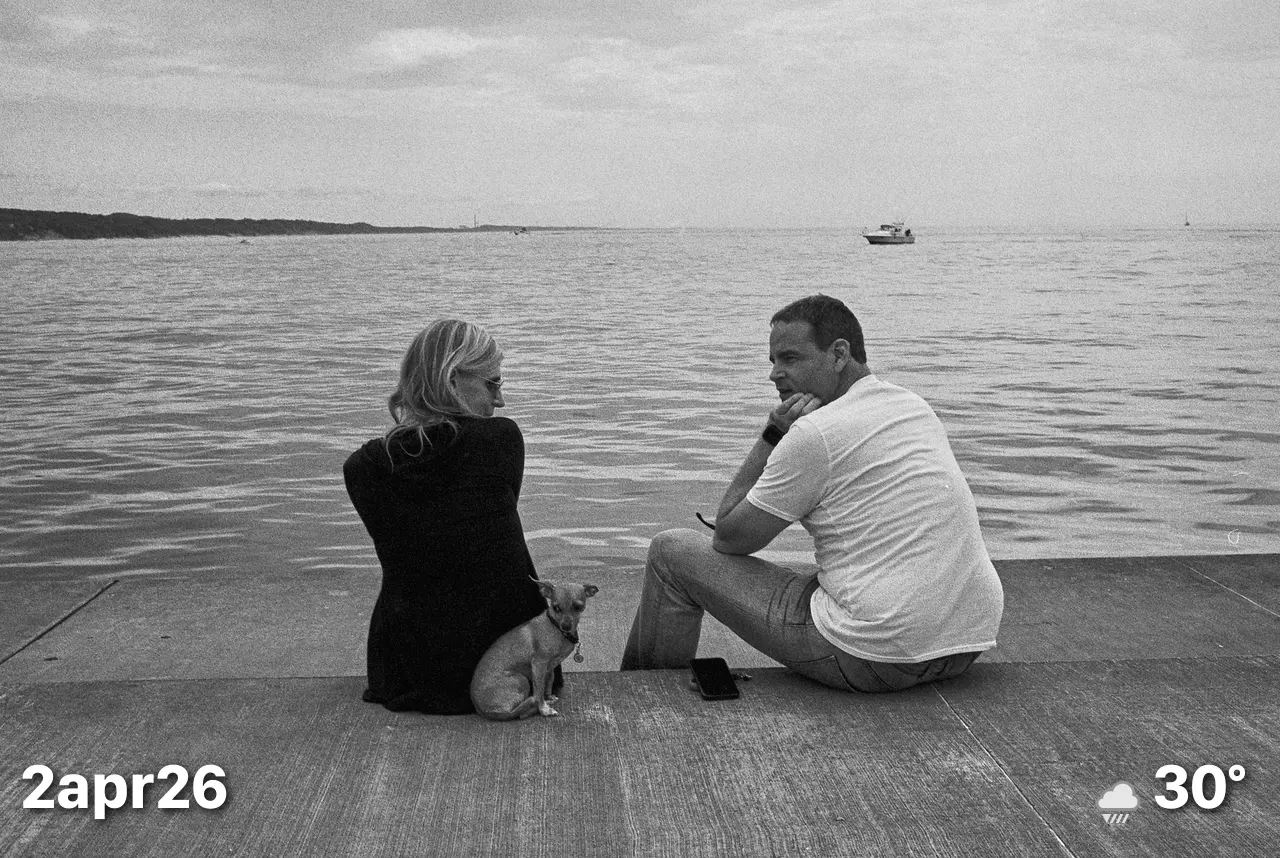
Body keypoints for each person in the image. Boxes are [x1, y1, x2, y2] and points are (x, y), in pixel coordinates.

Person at [621, 295, 1003, 692]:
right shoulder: (911, 405)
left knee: (671, 551)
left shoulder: (814, 434)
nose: (774, 374)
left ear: (839, 354)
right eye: (772, 361)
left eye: (790, 359)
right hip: (964, 643)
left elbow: (730, 538)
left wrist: (772, 435)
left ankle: (641, 695)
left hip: (874, 658)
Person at [344, 319, 551, 714]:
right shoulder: (501, 440)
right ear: (452, 378)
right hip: (508, 660)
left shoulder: (362, 467)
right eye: (492, 383)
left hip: (406, 671)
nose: (501, 400)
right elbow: (487, 546)